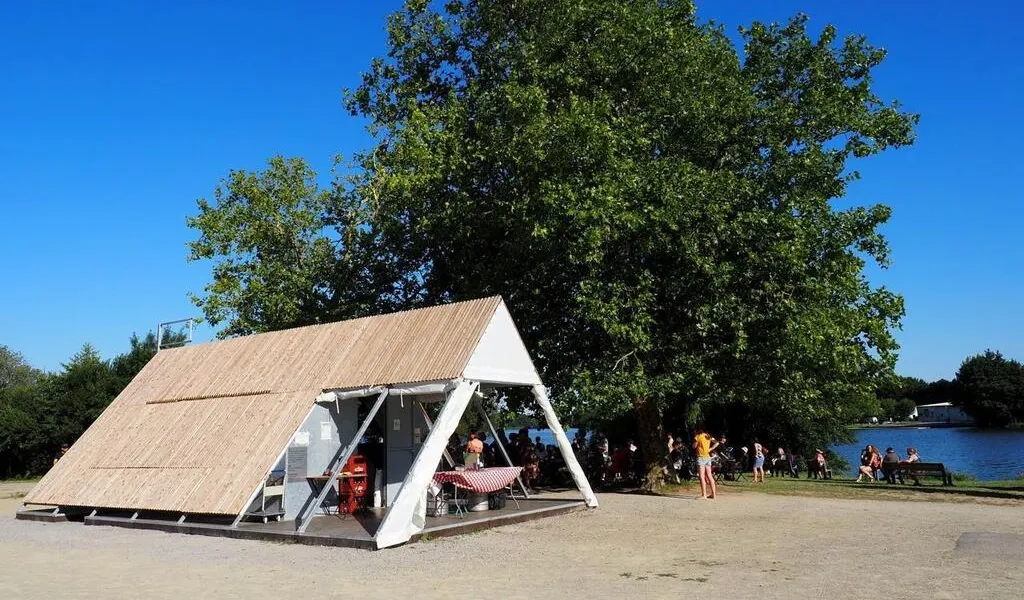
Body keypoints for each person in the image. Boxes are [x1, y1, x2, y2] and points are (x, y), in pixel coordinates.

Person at [693, 428, 719, 498]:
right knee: (709, 475)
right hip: (708, 457)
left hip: (701, 457)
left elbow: (694, 446)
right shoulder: (708, 436)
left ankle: (704, 495)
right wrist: (710, 449)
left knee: (701, 476)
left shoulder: (698, 436)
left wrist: (694, 443)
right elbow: (717, 443)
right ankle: (713, 494)